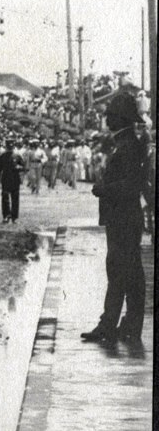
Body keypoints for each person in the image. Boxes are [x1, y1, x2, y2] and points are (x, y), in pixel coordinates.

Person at [81, 92, 153, 345]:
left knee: (118, 270)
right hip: (124, 217)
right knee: (130, 272)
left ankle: (109, 324)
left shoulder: (128, 146)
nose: (106, 120)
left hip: (123, 217)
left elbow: (131, 185)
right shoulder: (128, 143)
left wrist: (103, 189)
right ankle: (128, 323)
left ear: (118, 118)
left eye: (110, 116)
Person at [0, 138, 23, 223]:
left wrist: (19, 167)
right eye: (8, 146)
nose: (10, 147)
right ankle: (6, 215)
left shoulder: (17, 156)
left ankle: (14, 217)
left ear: (13, 146)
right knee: (5, 198)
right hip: (6, 179)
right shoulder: (2, 157)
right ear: (6, 146)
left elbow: (23, 166)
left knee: (15, 199)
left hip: (15, 180)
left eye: (11, 146)